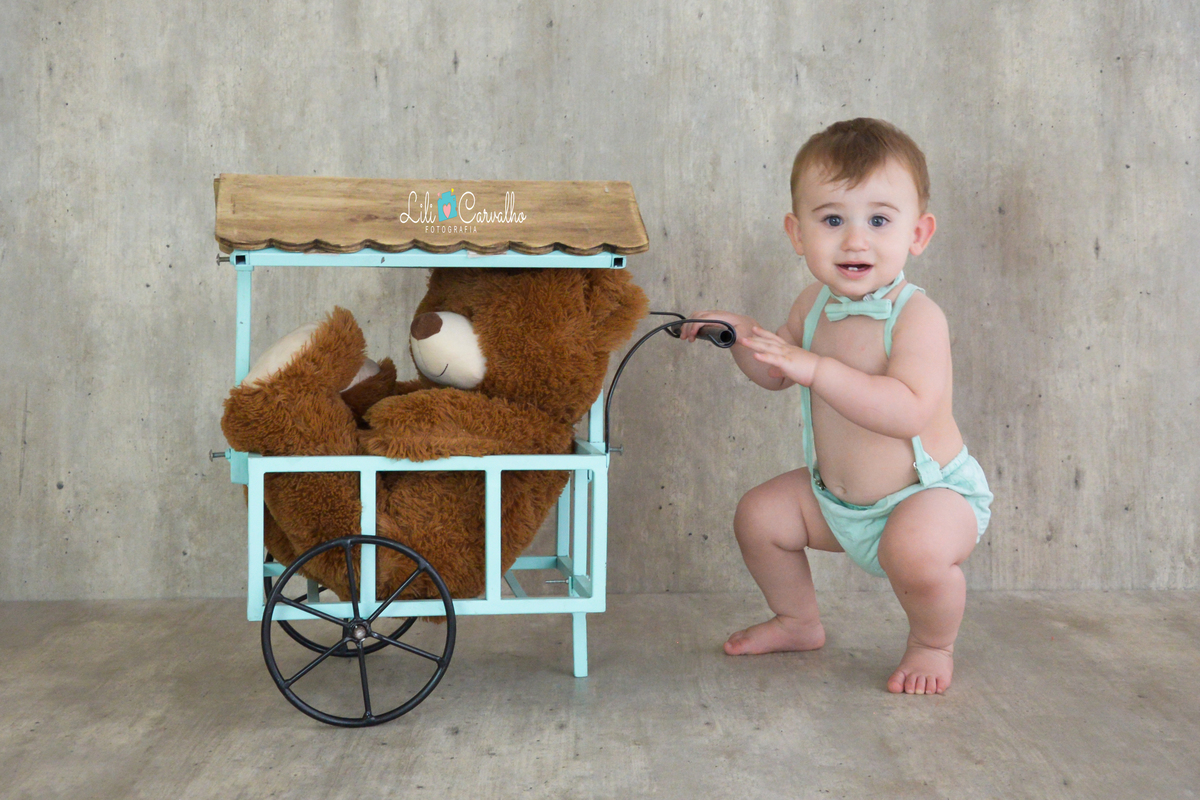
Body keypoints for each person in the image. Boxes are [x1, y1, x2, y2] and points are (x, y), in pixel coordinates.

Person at [681, 118, 993, 695]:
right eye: (832, 220)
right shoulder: (813, 303)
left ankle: (932, 643)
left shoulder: (918, 316)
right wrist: (740, 334)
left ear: (918, 234)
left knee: (917, 553)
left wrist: (817, 368)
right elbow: (775, 374)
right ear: (797, 234)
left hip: (929, 494)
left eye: (879, 219)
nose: (855, 240)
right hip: (837, 499)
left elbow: (907, 412)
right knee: (760, 516)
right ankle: (798, 621)